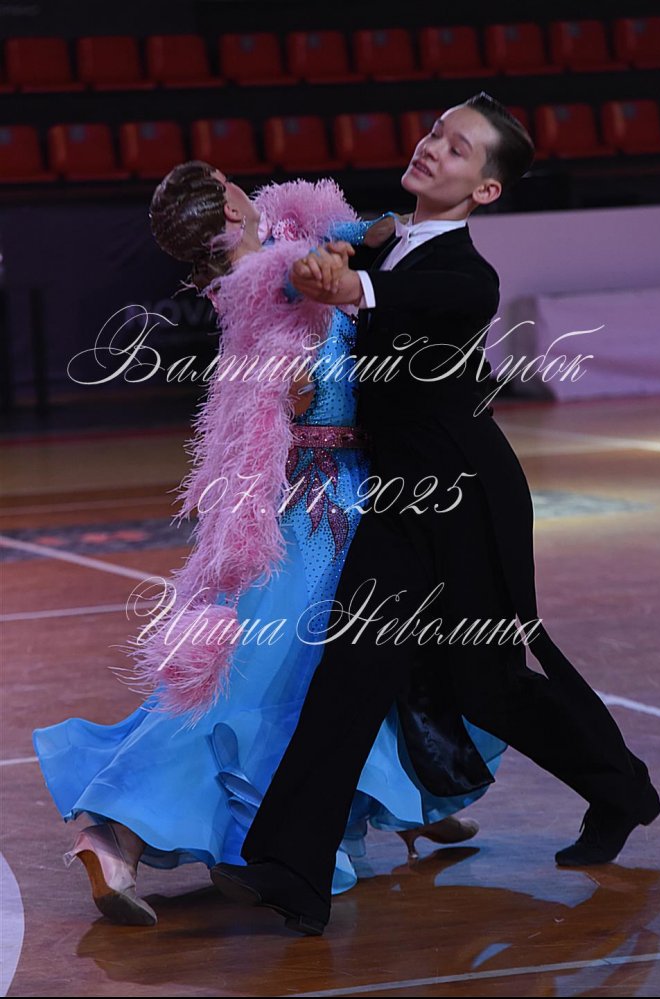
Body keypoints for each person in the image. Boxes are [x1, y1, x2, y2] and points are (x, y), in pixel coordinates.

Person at [210, 92, 660, 937]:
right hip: (397, 498)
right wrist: (259, 233)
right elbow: (329, 257)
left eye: (458, 149)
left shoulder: (466, 277)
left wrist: (343, 281)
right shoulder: (385, 235)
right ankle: (291, 869)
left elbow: (387, 295)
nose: (431, 149)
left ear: (486, 190)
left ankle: (623, 788)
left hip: (466, 498)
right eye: (433, 133)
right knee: (351, 669)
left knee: (486, 683)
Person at [32, 161, 506, 927]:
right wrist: (355, 257)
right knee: (278, 675)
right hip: (321, 498)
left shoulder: (274, 253)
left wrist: (376, 233)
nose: (240, 183)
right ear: (227, 206)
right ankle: (118, 829)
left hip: (327, 487)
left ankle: (410, 800)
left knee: (356, 661)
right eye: (226, 181)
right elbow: (311, 288)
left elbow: (348, 235)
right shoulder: (269, 274)